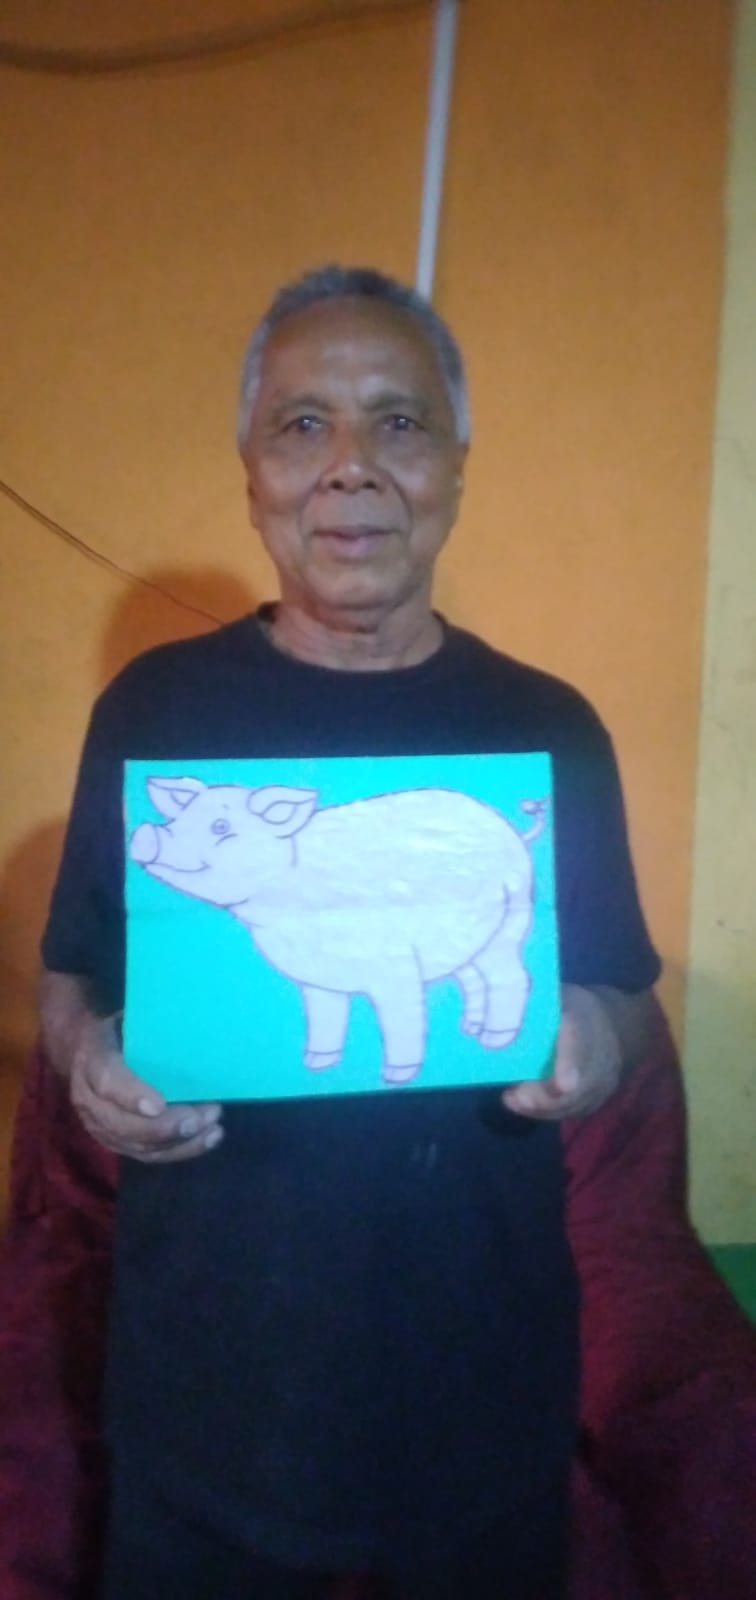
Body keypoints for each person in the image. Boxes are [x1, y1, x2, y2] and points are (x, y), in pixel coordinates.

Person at [38, 265, 660, 1600]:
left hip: (479, 1388)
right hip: (206, 1394)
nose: (351, 466)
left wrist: (603, 1037)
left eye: (401, 420)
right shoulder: (155, 715)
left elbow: (623, 991)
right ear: (252, 469)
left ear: (457, 466)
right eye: (303, 423)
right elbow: (72, 971)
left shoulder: (549, 729)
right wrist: (87, 1057)